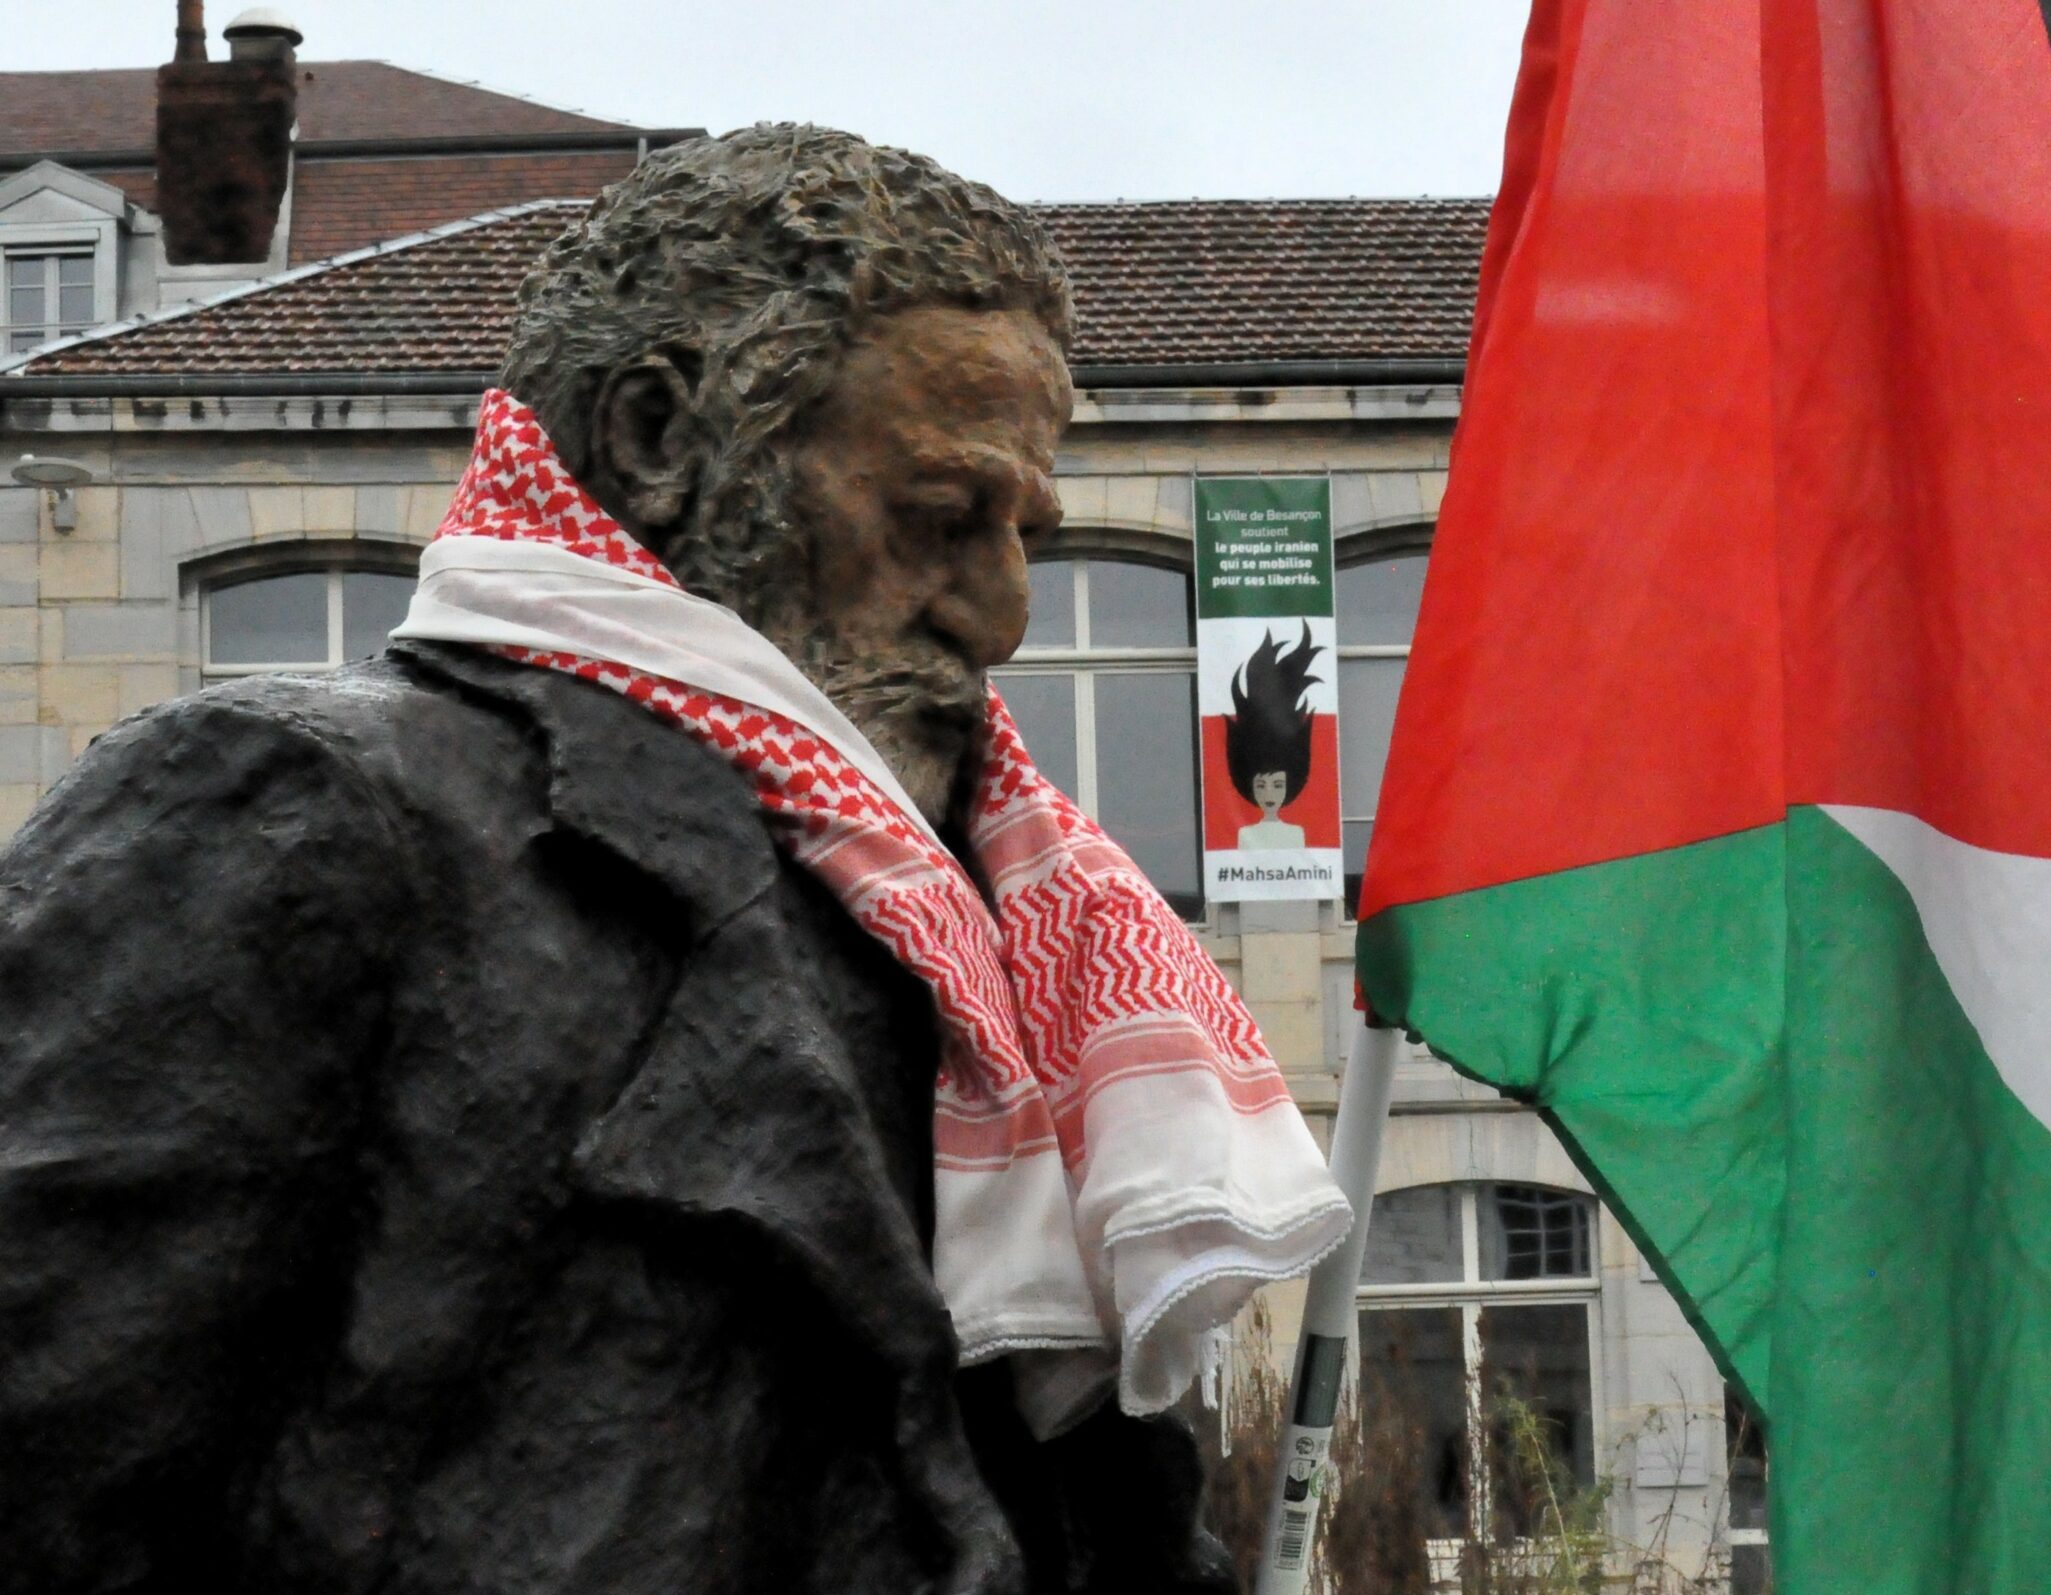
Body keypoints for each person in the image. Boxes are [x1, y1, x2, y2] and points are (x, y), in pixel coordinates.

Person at [0, 125, 1349, 1595]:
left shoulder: (998, 941)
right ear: (658, 439)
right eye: (942, 517)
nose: (1004, 613)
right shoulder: (300, 811)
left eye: (1027, 531)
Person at [1224, 623, 1323, 851]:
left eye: (1277, 785)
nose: (1269, 793)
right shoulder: (1244, 834)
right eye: (1261, 785)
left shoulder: (1296, 834)